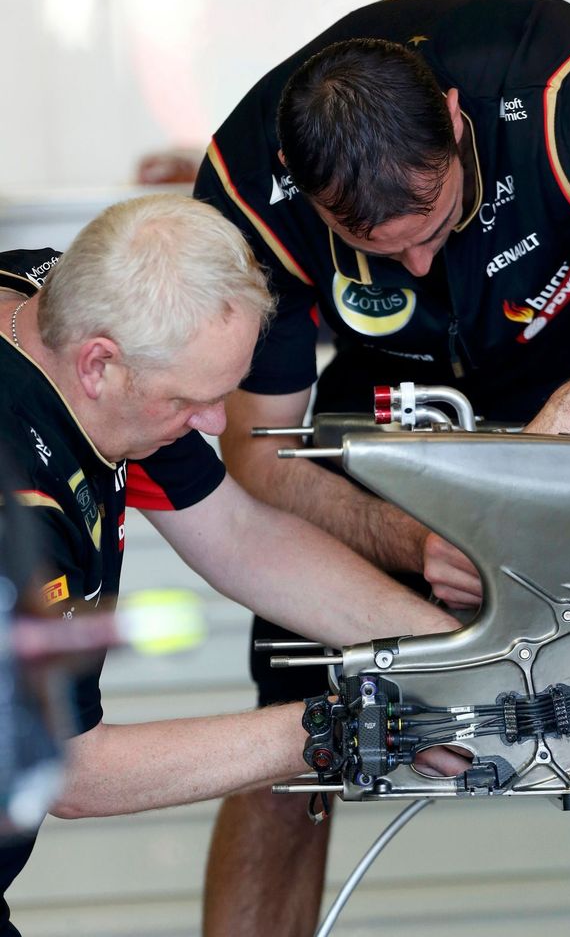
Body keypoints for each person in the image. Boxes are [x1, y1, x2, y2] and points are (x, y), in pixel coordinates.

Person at [194, 0, 570, 936]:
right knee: (291, 742)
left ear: (457, 123)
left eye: (433, 224)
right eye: (380, 247)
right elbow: (256, 453)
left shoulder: (561, 88)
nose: (417, 267)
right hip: (398, 389)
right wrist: (410, 537)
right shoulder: (249, 190)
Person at [0, 193, 461, 937]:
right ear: (99, 366)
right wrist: (337, 723)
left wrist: (455, 648)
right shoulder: (16, 507)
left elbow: (240, 534)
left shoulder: (53, 303)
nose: (216, 426)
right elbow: (71, 771)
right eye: (195, 401)